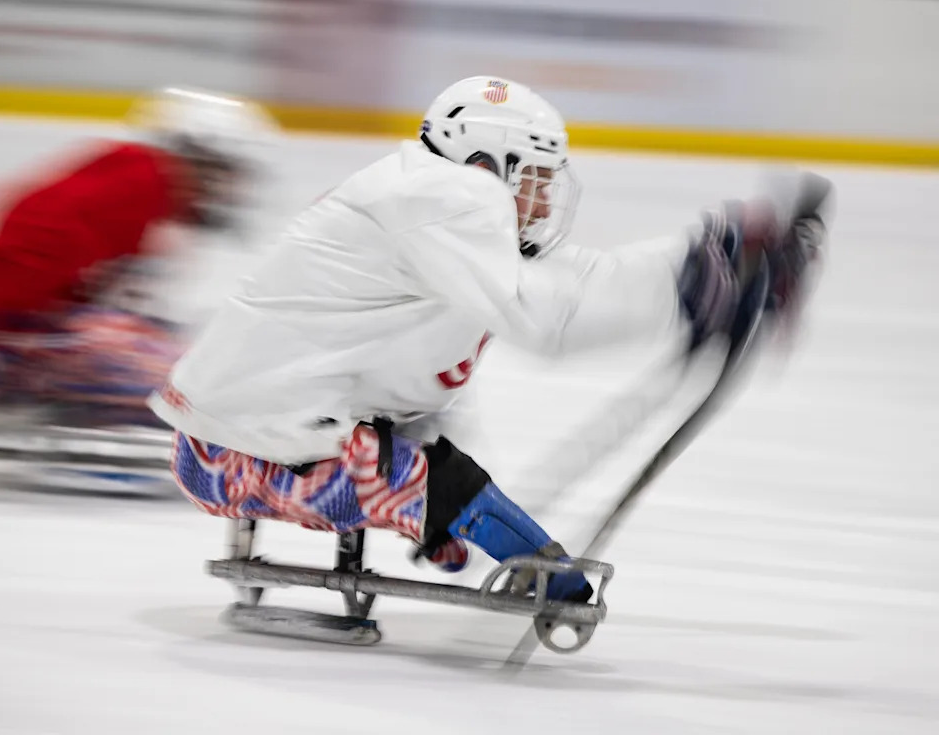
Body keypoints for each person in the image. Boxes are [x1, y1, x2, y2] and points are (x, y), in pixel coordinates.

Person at [149, 75, 826, 600]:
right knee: (454, 487)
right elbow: (546, 318)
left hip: (234, 444)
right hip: (242, 450)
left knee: (450, 481)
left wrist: (703, 261)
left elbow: (572, 281)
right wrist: (697, 288)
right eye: (532, 177)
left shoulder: (430, 208)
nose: (540, 199)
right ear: (485, 162)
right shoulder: (446, 197)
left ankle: (503, 541)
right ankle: (550, 578)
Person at [0, 87, 276, 429]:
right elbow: (54, 287)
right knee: (194, 379)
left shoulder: (131, 181)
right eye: (227, 173)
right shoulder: (142, 185)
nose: (230, 190)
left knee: (184, 361)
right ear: (200, 158)